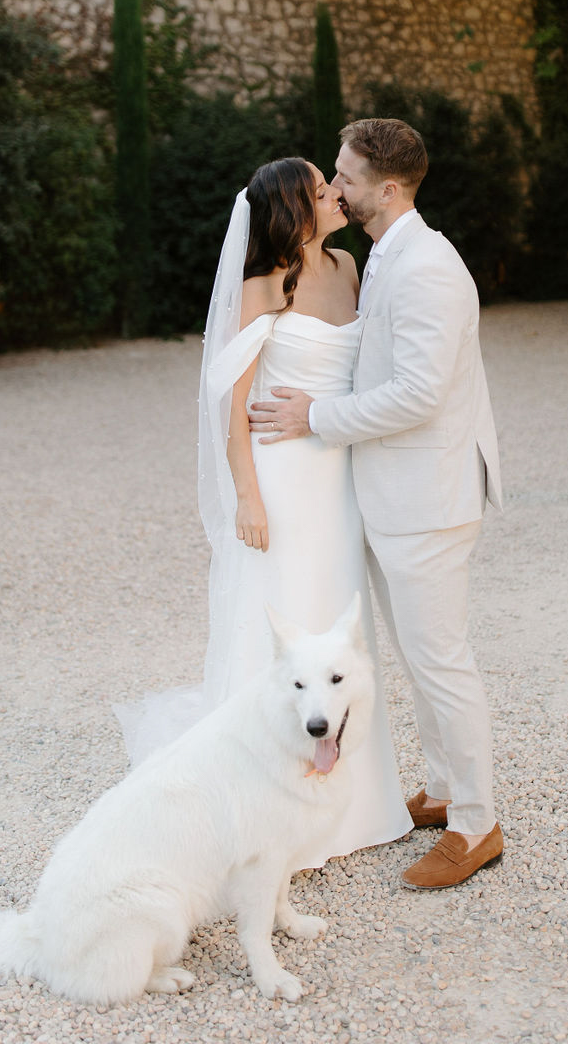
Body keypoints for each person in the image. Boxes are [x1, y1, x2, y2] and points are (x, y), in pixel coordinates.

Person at [116, 156, 411, 866]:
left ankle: (354, 798)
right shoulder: (264, 283)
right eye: (320, 190)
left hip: (337, 478)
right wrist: (246, 493)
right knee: (277, 621)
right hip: (280, 481)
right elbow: (234, 403)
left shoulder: (347, 268)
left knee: (339, 629)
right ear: (294, 208)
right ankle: (257, 804)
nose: (336, 194)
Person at [248, 119, 504, 890]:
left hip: (428, 498)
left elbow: (420, 395)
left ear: (386, 190)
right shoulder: (386, 255)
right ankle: (443, 786)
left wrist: (315, 417)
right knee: (420, 658)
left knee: (441, 660)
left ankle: (477, 824)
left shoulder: (426, 267)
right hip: (395, 497)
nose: (335, 188)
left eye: (346, 177)